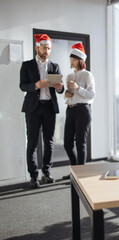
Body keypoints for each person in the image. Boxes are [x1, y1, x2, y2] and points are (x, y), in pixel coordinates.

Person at [20, 34, 64, 189]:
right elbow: (23, 86)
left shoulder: (55, 66)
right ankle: (33, 176)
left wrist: (59, 87)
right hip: (33, 108)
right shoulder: (27, 65)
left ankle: (46, 172)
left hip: (49, 108)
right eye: (44, 47)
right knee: (32, 143)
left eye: (49, 48)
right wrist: (36, 85)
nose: (47, 51)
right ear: (37, 47)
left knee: (49, 142)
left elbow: (61, 88)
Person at [62, 43, 95, 180]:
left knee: (80, 142)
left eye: (74, 59)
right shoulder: (69, 76)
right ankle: (75, 171)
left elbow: (91, 95)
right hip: (70, 110)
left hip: (83, 110)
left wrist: (77, 88)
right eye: (70, 59)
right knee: (67, 143)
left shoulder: (87, 75)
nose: (71, 61)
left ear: (80, 60)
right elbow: (67, 95)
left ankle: (80, 174)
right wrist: (66, 94)